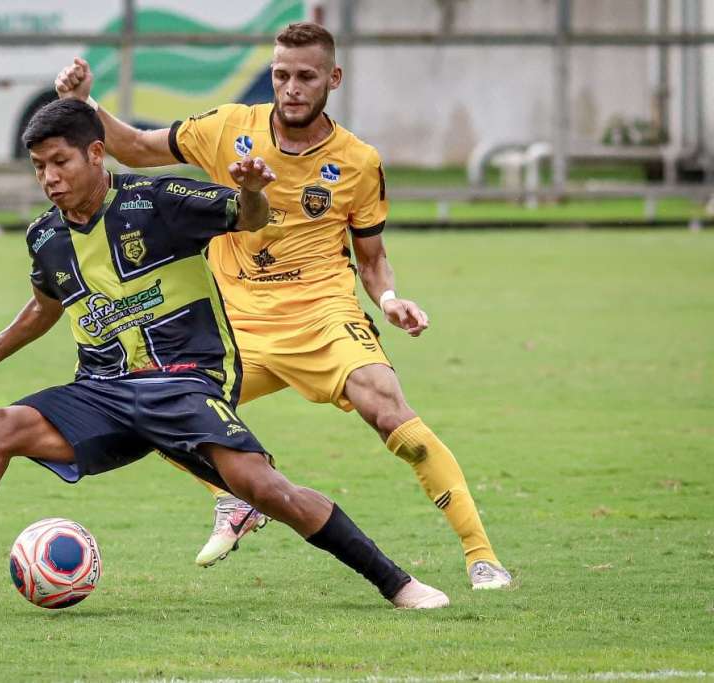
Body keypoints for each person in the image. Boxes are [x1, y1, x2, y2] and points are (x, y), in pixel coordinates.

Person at [0, 98, 449, 609]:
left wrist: (255, 192)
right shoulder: (46, 237)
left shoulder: (158, 202)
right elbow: (48, 304)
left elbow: (251, 219)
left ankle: (397, 583)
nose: (49, 177)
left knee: (264, 489)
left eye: (59, 162)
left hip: (186, 381)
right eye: (38, 167)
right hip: (102, 392)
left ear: (96, 154)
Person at [53, 22, 511, 589]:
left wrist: (389, 298)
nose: (291, 87)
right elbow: (136, 147)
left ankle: (481, 555)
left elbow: (372, 259)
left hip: (322, 317)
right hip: (235, 324)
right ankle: (236, 497)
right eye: (280, 75)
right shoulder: (228, 128)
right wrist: (84, 104)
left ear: (332, 79)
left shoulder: (358, 162)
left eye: (305, 76)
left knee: (394, 415)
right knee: (149, 404)